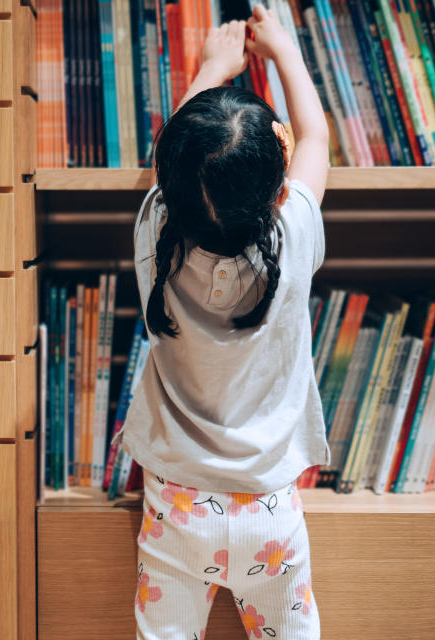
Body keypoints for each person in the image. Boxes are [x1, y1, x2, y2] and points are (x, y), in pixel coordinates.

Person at [118, 5, 331, 639]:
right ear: (280, 192)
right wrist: (286, 52)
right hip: (272, 512)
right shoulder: (294, 238)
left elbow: (175, 162)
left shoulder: (156, 234)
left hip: (176, 511)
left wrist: (213, 65)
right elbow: (315, 142)